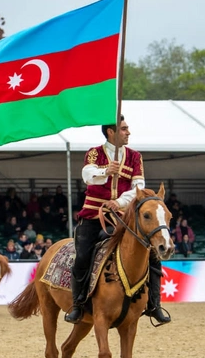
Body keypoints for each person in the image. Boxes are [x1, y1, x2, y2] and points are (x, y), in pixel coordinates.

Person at [65, 115, 170, 326]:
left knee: (152, 256)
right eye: (123, 129)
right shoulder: (94, 153)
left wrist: (120, 202)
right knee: (83, 257)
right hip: (92, 217)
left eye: (127, 128)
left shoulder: (134, 157)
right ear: (111, 132)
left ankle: (154, 305)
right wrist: (106, 170)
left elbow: (138, 187)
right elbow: (87, 175)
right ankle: (78, 305)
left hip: (121, 218)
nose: (128, 132)